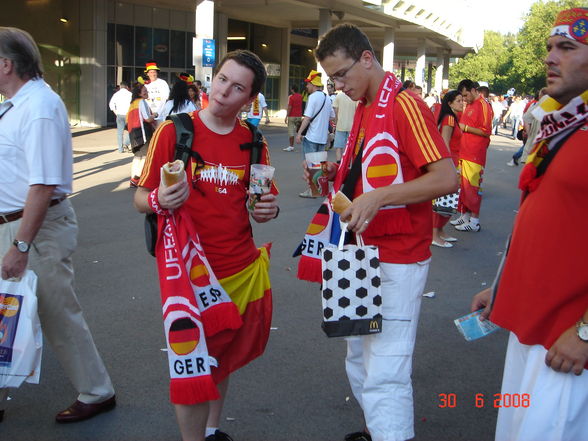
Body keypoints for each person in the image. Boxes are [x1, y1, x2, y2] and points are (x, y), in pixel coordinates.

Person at [298, 24, 457, 441]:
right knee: (359, 358)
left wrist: (380, 196)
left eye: (342, 75)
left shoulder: (404, 105)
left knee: (385, 372)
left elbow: (446, 178)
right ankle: (376, 430)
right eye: (332, 79)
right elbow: (374, 170)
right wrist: (338, 174)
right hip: (362, 252)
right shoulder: (368, 103)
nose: (338, 86)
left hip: (397, 258)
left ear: (367, 58)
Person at [134, 49, 279, 441]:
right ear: (212, 79)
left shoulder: (254, 141)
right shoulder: (175, 131)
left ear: (249, 99)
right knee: (194, 364)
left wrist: (268, 209)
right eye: (221, 79)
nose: (224, 91)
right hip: (187, 273)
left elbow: (260, 202)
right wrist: (157, 201)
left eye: (237, 88)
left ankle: (212, 431)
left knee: (223, 357)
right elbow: (140, 196)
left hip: (240, 268)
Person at [470, 8, 588, 441]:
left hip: (568, 343)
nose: (550, 58)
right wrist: (500, 286)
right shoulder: (563, 125)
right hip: (527, 327)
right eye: (550, 48)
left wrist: (586, 334)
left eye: (568, 48)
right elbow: (538, 219)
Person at [0, 26, 115, 424]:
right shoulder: (15, 104)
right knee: (5, 312)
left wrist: (21, 246)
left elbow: (42, 184)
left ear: (5, 64)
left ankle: (98, 391)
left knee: (56, 313)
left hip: (35, 228)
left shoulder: (40, 108)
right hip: (15, 224)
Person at [450, 79, 492, 232]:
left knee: (473, 187)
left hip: (475, 154)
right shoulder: (469, 105)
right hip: (464, 151)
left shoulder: (483, 105)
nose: (465, 99)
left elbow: (486, 131)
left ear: (474, 90)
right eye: (463, 96)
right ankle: (465, 215)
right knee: (464, 187)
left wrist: (465, 127)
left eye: (466, 95)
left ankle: (474, 221)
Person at [432, 90, 464, 248]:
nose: (462, 103)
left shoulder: (451, 117)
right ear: (450, 103)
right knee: (443, 200)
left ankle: (440, 231)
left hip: (453, 162)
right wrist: (451, 167)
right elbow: (445, 143)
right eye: (458, 100)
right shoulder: (450, 118)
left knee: (447, 200)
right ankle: (434, 234)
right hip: (450, 163)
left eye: (462, 100)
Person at [296, 70, 335, 198]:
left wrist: (299, 133)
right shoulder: (327, 98)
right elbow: (332, 117)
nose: (307, 86)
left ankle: (312, 191)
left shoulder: (312, 98)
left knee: (310, 165)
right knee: (319, 165)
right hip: (322, 138)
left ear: (313, 84)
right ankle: (320, 189)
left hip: (312, 137)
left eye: (308, 84)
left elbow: (307, 118)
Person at [127, 82, 155, 187]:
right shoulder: (141, 102)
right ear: (139, 93)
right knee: (145, 156)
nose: (146, 93)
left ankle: (133, 178)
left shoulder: (133, 103)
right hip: (143, 132)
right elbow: (147, 118)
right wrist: (154, 115)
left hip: (133, 132)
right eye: (144, 91)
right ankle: (136, 178)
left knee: (137, 156)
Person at [331, 88, 357, 162]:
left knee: (338, 147)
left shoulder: (339, 96)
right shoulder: (354, 96)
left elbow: (336, 111)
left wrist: (335, 124)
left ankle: (339, 164)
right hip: (352, 127)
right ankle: (347, 164)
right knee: (349, 147)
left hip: (340, 126)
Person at [108, 80, 132, 153]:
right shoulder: (130, 94)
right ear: (127, 87)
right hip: (128, 115)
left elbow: (111, 105)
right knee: (131, 131)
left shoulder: (116, 94)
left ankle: (120, 149)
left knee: (120, 132)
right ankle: (126, 143)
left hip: (119, 114)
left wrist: (116, 112)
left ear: (120, 86)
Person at [143, 60, 169, 124]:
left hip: (161, 116)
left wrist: (158, 112)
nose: (153, 74)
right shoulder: (144, 84)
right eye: (151, 72)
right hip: (148, 116)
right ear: (147, 74)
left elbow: (166, 98)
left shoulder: (162, 83)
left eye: (154, 72)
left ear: (157, 73)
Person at [283, 84, 303, 151]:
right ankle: (304, 142)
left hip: (292, 115)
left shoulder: (291, 97)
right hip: (299, 115)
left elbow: (290, 107)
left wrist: (286, 116)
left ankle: (291, 146)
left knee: (291, 131)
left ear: (292, 90)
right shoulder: (301, 96)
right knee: (299, 130)